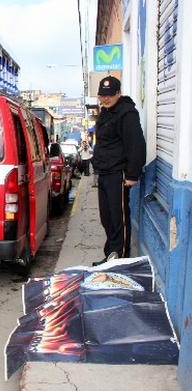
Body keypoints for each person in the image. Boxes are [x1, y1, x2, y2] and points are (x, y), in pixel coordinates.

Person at [91, 76, 146, 265]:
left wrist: (132, 174)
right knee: (106, 218)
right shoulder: (105, 112)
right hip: (104, 172)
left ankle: (121, 259)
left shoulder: (127, 113)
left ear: (118, 93)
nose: (105, 99)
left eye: (109, 95)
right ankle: (110, 256)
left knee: (118, 217)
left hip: (118, 173)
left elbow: (136, 144)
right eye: (102, 95)